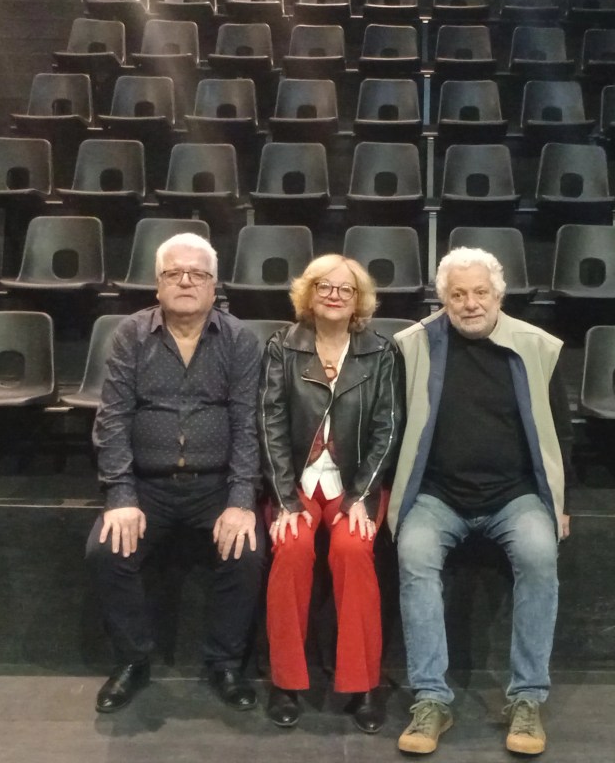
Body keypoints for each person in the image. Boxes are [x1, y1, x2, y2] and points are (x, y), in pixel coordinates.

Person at [388, 247, 574, 756]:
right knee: (414, 555)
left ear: (499, 295)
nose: (470, 303)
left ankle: (527, 698)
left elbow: (560, 432)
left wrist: (560, 502)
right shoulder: (412, 346)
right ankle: (431, 699)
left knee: (540, 555)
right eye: (458, 294)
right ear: (443, 299)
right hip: (437, 495)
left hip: (515, 495)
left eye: (480, 293)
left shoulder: (537, 347)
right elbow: (394, 427)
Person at [85, 232, 265, 714]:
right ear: (158, 283)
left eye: (197, 273)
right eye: (174, 273)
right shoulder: (130, 334)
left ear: (213, 284)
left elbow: (247, 423)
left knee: (247, 553)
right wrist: (120, 496)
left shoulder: (240, 339)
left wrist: (241, 501)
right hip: (148, 486)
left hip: (215, 485)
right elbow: (113, 418)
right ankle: (132, 660)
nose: (186, 281)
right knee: (105, 551)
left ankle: (225, 663)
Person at [257, 255, 402, 733]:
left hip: (355, 484)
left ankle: (363, 683)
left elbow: (388, 429)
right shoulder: (282, 346)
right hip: (296, 482)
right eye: (324, 285)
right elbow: (270, 423)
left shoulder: (380, 352)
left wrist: (362, 496)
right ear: (309, 292)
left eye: (346, 288)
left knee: (353, 551)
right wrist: (284, 498)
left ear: (359, 300)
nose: (335, 295)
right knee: (292, 548)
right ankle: (285, 681)